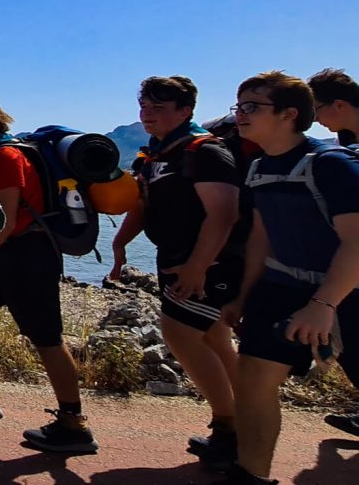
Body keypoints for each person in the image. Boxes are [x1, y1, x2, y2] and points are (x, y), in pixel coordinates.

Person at [219, 71, 359, 484]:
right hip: (281, 287)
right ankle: (251, 474)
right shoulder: (260, 166)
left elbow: (356, 242)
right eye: (239, 106)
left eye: (252, 107)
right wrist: (244, 296)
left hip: (344, 292)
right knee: (253, 379)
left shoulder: (332, 165)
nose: (240, 115)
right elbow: (262, 238)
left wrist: (323, 306)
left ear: (289, 114)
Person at [0, 88, 98, 454]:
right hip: (11, 252)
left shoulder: (4, 155)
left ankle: (73, 424)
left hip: (28, 255)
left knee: (47, 339)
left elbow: (6, 222)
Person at [112, 76, 243, 467]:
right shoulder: (154, 153)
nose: (148, 115)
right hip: (175, 259)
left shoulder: (205, 151)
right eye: (145, 107)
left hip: (208, 265)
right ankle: (251, 418)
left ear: (186, 110)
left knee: (182, 335)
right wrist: (119, 246)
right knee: (216, 340)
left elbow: (224, 214)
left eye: (159, 108)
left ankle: (228, 428)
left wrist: (198, 267)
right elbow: (142, 203)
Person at [308, 68, 359, 438]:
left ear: (340, 104)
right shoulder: (344, 140)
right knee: (353, 339)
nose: (316, 120)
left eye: (318, 110)